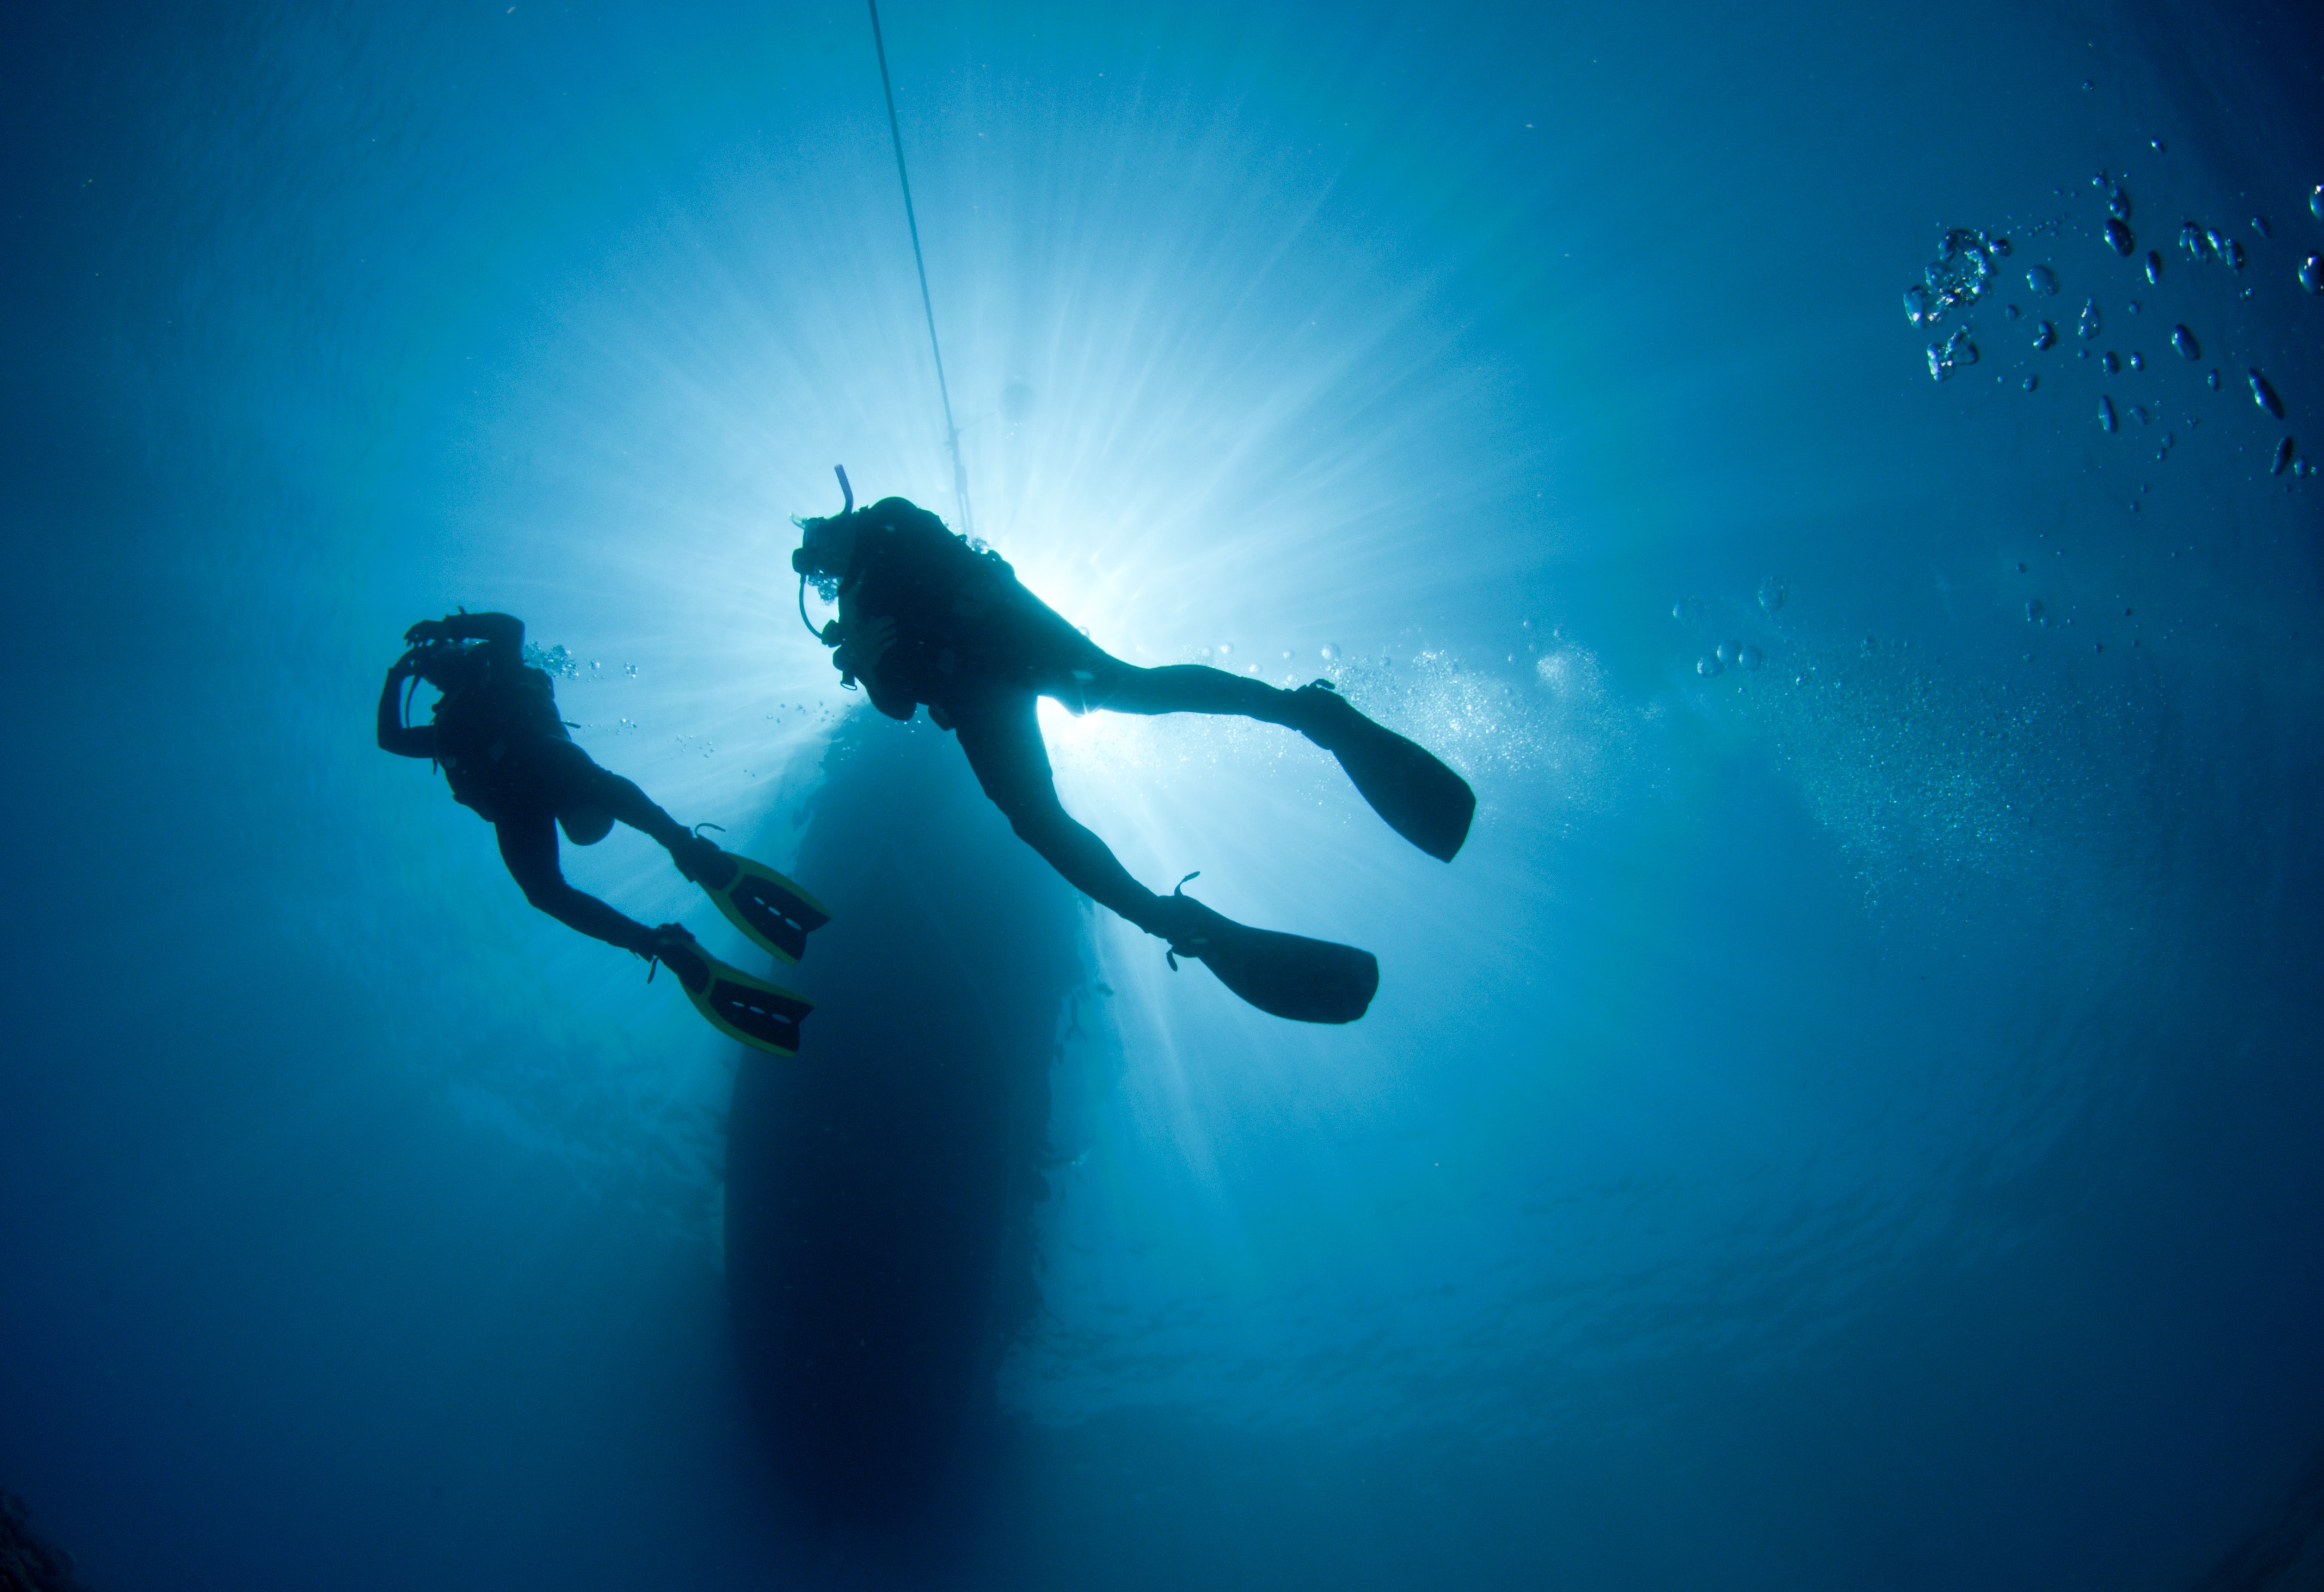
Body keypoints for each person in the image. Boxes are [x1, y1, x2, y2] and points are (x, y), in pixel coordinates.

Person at [789, 475, 1474, 1024]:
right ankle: (1171, 919)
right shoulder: (852, 613)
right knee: (1033, 818)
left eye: (819, 548)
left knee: (1136, 692)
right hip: (975, 698)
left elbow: (929, 546)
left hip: (1011, 637)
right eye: (817, 566)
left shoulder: (887, 521)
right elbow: (899, 706)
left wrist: (871, 626)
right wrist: (862, 660)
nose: (822, 566)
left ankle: (1307, 712)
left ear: (835, 526)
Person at [378, 611, 822, 1054]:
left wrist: (446, 629)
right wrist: (395, 676)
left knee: (591, 785)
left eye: (443, 653)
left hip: (545, 764)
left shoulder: (497, 669)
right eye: (430, 663)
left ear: (460, 650)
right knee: (543, 892)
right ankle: (654, 941)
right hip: (518, 805)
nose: (437, 661)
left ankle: (685, 848)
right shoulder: (441, 732)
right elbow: (389, 739)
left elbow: (510, 627)